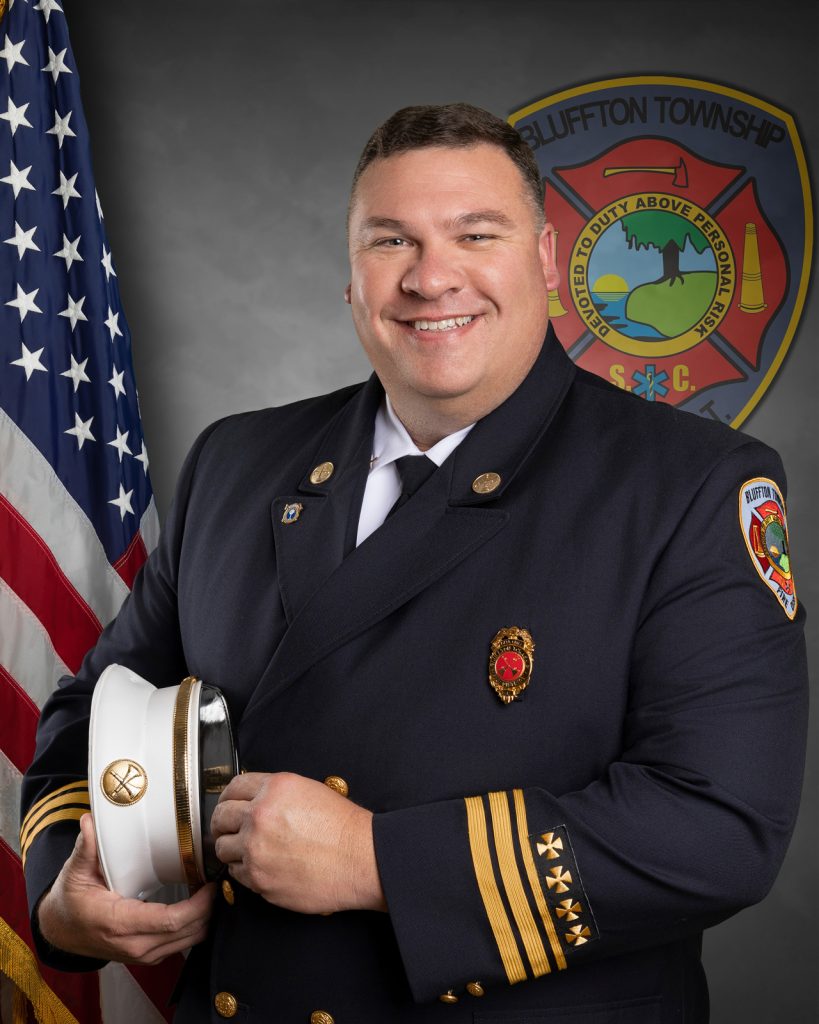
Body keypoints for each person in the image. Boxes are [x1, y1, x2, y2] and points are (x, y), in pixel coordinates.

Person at [21, 103, 808, 1023]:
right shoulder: (238, 463)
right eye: (390, 240)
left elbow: (719, 828)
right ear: (350, 277)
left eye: (475, 234)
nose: (432, 278)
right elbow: (96, 707)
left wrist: (378, 863)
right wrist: (64, 896)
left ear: (546, 262)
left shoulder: (689, 485)